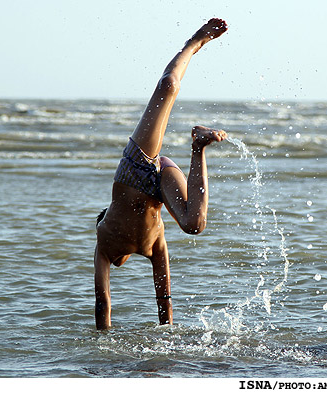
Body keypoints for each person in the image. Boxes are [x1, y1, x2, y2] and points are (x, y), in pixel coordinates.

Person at [94, 18, 228, 330]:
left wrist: (102, 343)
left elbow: (102, 303)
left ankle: (194, 43)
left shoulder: (103, 241)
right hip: (161, 182)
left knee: (168, 87)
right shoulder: (155, 245)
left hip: (133, 170)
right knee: (194, 224)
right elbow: (164, 298)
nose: (119, 264)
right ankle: (198, 146)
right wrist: (167, 343)